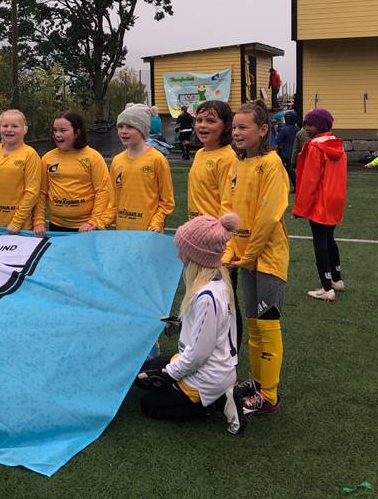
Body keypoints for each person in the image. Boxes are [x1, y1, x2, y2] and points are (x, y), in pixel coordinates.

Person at [135, 213, 246, 435]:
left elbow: (198, 354)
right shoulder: (218, 283)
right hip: (212, 367)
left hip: (206, 377)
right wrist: (177, 324)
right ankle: (214, 393)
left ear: (198, 256)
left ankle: (216, 402)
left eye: (184, 251)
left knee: (149, 404)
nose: (179, 255)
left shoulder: (207, 297)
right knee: (141, 376)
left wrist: (168, 375)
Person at [222, 99, 289, 416]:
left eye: (243, 127)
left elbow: (268, 216)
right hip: (243, 258)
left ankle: (270, 395)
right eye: (234, 127)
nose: (236, 132)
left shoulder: (272, 164)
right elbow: (228, 211)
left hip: (267, 257)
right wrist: (230, 250)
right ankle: (257, 382)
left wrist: (249, 254)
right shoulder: (236, 165)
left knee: (267, 323)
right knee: (252, 323)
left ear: (263, 130)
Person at [187, 99, 242, 349]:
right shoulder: (200, 153)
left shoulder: (228, 158)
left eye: (210, 121)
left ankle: (228, 355)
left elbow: (229, 205)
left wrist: (225, 246)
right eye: (199, 120)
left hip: (216, 244)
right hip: (197, 241)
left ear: (225, 126)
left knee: (224, 302)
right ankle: (200, 349)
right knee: (199, 298)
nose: (202, 125)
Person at [294, 108, 347, 301]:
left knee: (320, 242)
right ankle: (336, 279)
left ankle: (326, 287)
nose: (306, 128)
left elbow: (310, 180)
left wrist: (300, 208)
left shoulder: (315, 147)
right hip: (335, 199)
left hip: (320, 201)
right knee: (330, 239)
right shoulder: (337, 145)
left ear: (320, 125)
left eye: (310, 124)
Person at [32, 111, 112, 235]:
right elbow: (41, 193)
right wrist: (39, 221)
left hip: (86, 228)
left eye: (63, 130)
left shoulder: (93, 158)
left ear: (77, 133)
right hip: (56, 226)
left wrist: (93, 222)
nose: (57, 134)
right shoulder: (47, 158)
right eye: (55, 130)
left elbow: (102, 192)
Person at [108, 103, 174, 232]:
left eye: (130, 126)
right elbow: (112, 201)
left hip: (149, 234)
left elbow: (167, 202)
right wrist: (99, 222)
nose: (123, 131)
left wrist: (155, 224)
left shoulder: (157, 159)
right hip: (123, 234)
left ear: (142, 129)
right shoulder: (117, 161)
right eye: (120, 126)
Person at [0, 109, 42, 235]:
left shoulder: (30, 155)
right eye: (5, 126)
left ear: (24, 129)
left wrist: (16, 222)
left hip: (20, 228)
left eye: (14, 126)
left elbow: (32, 192)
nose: (9, 129)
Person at [275, 110, 299, 174]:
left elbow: (277, 141)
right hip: (295, 153)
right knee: (292, 168)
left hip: (285, 153)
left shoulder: (283, 130)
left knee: (287, 169)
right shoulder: (298, 129)